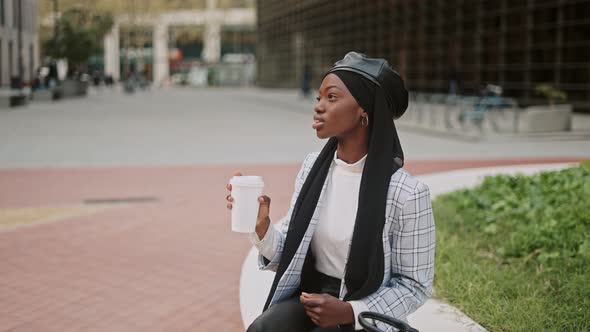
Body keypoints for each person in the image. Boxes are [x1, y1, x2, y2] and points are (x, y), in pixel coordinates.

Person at [226, 52, 435, 332]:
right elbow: (292, 253)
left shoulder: (407, 193)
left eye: (332, 97)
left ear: (364, 110)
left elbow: (414, 286)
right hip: (310, 296)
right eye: (319, 98)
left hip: (364, 308)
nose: (319, 107)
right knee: (263, 329)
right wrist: (261, 227)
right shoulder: (314, 168)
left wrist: (351, 311)